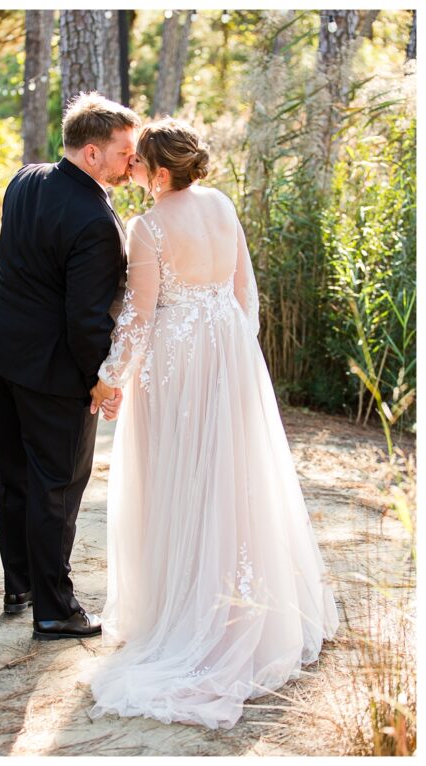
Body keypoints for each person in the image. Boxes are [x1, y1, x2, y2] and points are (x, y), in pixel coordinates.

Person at [88, 118, 339, 729]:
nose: (134, 172)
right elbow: (244, 292)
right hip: (228, 349)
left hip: (177, 359)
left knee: (182, 475)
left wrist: (110, 377)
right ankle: (235, 602)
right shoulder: (222, 205)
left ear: (162, 171)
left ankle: (190, 613)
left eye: (140, 164)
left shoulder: (147, 229)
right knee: (232, 472)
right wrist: (236, 353)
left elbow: (140, 318)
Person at [0, 92, 137, 639]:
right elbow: (87, 321)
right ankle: (54, 608)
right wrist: (102, 381)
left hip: (0, 350)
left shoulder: (25, 178)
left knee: (16, 471)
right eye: (124, 152)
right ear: (92, 153)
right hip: (52, 370)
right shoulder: (96, 221)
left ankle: (19, 583)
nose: (132, 162)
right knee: (57, 485)